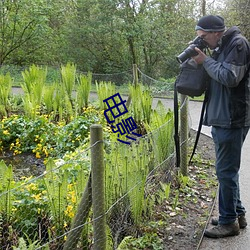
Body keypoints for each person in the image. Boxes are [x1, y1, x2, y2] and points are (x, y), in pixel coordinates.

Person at [192, 15, 250, 238]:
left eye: (204, 37)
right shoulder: (221, 46)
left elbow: (229, 77)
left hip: (232, 118)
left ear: (216, 32)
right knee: (227, 171)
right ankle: (237, 214)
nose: (203, 41)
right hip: (222, 117)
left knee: (225, 171)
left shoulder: (238, 44)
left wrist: (205, 61)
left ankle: (228, 223)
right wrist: (202, 60)